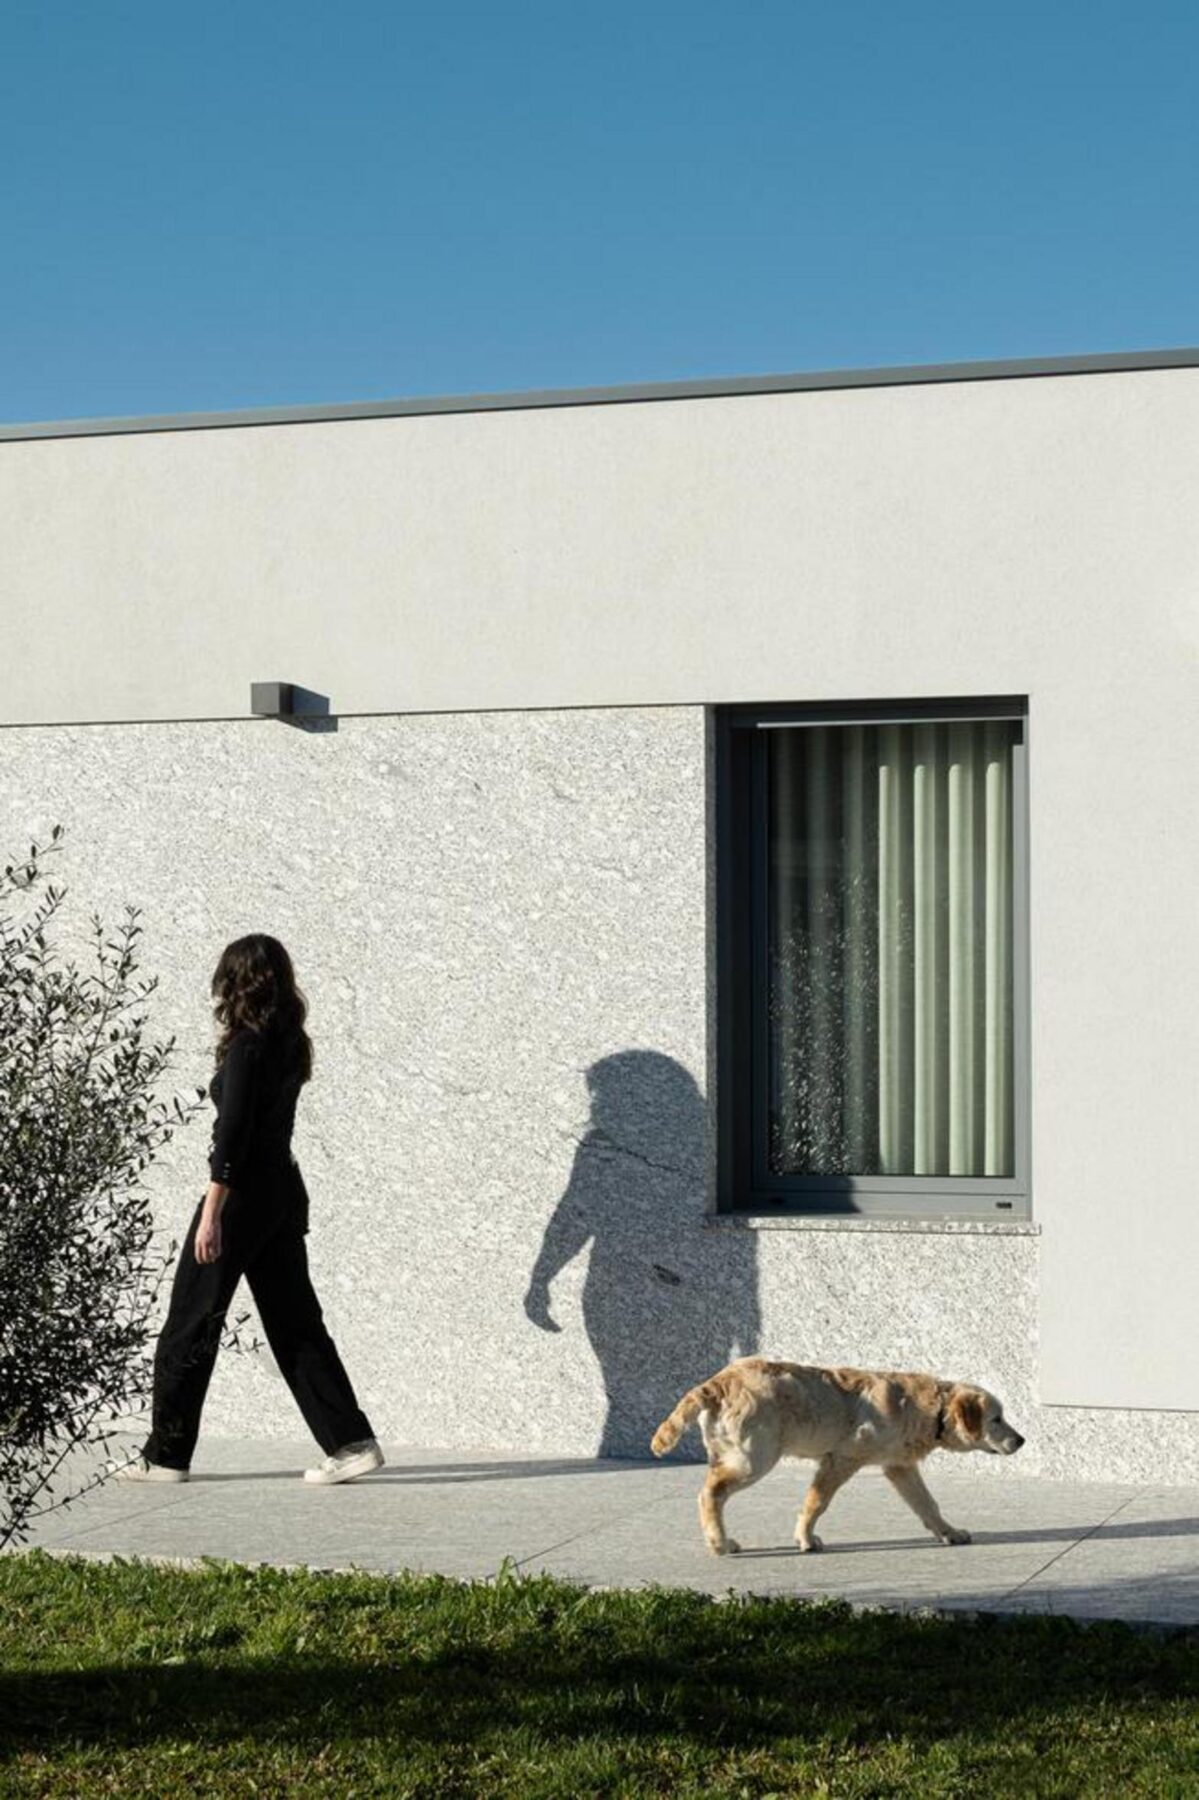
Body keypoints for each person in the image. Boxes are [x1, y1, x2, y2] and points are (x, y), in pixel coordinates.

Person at [121, 934, 382, 1485]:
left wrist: (213, 1209)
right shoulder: (291, 1044)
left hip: (240, 1198)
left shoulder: (246, 1048)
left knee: (189, 1322)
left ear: (235, 982)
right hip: (281, 1195)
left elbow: (232, 1132)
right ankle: (350, 1443)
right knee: (296, 1323)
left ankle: (165, 1456)